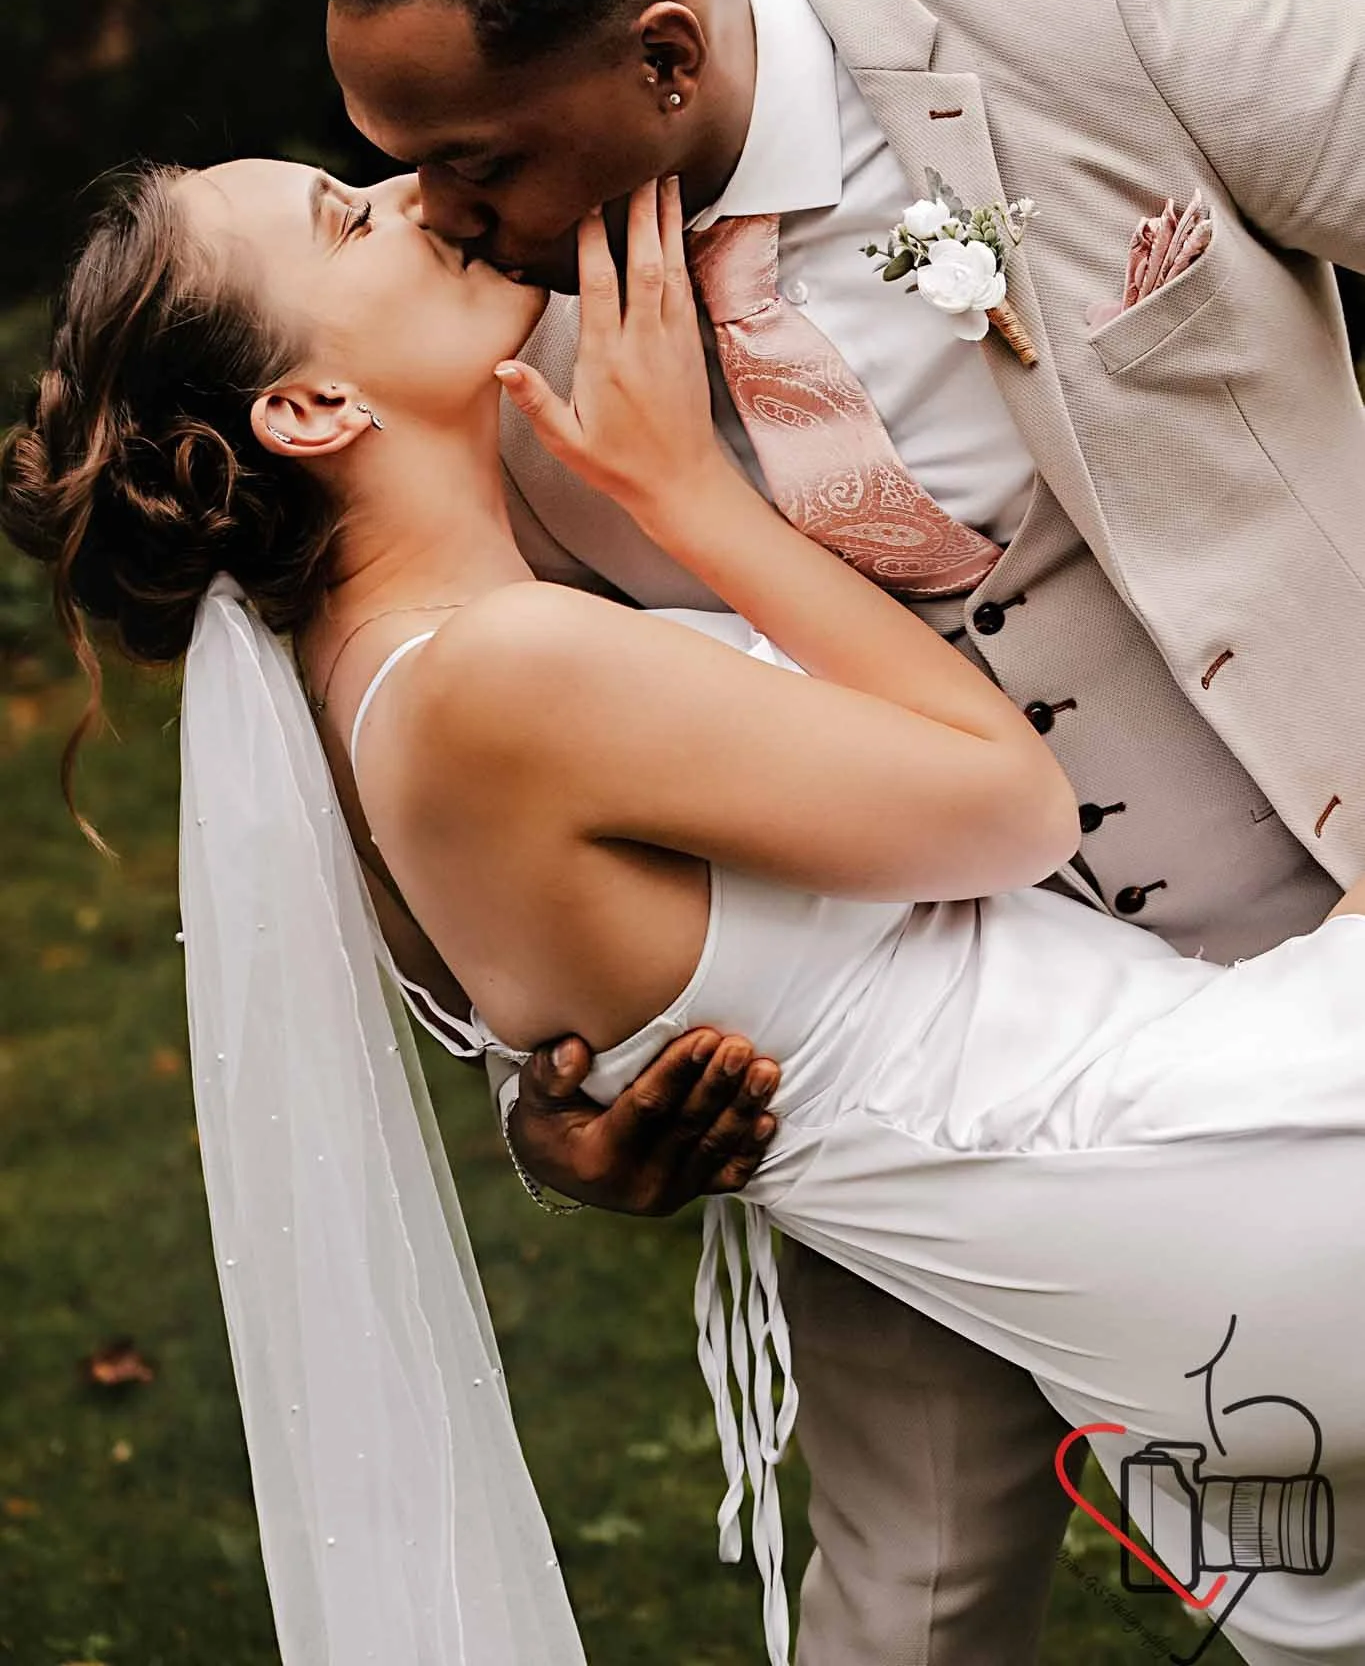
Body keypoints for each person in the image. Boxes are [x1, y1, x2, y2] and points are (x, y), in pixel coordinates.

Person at [5, 160, 1365, 1666]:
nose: (413, 194)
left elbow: (545, 1047)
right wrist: (689, 493)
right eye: (345, 217)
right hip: (1231, 1157)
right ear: (314, 414)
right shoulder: (491, 673)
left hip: (1176, 1307)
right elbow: (1014, 808)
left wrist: (543, 1128)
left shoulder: (369, 714)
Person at [322, 0, 1365, 1666]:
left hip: (1336, 934)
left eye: (472, 160)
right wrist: (556, 1104)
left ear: (660, 55)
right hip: (945, 1071)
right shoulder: (484, 354)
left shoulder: (1090, 4)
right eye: (397, 169)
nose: (438, 220)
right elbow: (511, 775)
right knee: (914, 1599)